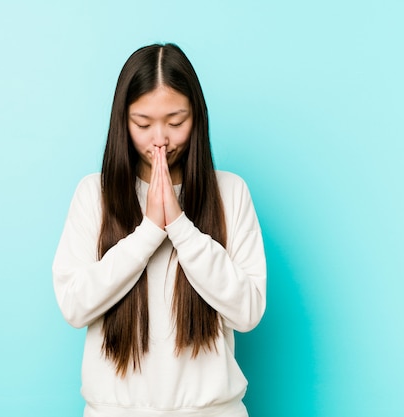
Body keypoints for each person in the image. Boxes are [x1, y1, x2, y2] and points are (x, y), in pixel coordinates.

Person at [53, 43, 267, 417]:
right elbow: (74, 306)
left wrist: (180, 227)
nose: (159, 139)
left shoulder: (231, 192)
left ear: (196, 118)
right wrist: (149, 231)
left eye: (175, 121)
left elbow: (247, 312)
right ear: (123, 121)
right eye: (143, 123)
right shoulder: (94, 194)